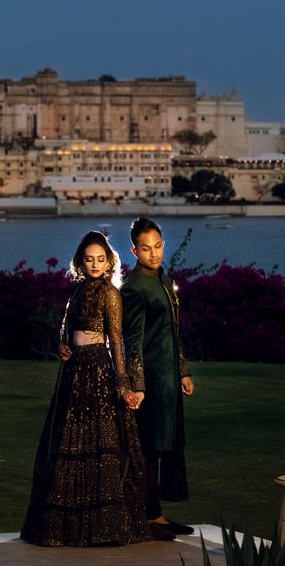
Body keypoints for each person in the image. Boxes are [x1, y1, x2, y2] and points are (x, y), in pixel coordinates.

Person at [20, 230, 174, 546]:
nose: (94, 264)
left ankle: (104, 526)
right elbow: (66, 327)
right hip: (73, 371)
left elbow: (116, 340)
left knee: (98, 444)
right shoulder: (76, 291)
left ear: (108, 263)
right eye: (89, 259)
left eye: (100, 260)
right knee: (66, 444)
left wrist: (122, 384)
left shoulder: (110, 294)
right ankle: (65, 529)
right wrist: (62, 346)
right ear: (80, 262)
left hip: (97, 369)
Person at [119, 217, 196, 537]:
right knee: (148, 449)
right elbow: (131, 340)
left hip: (168, 380)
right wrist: (136, 386)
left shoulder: (163, 280)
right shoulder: (135, 288)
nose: (154, 254)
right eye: (146, 249)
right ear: (134, 251)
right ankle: (146, 517)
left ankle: (158, 514)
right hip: (149, 381)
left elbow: (172, 332)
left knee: (167, 446)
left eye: (158, 246)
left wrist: (184, 371)